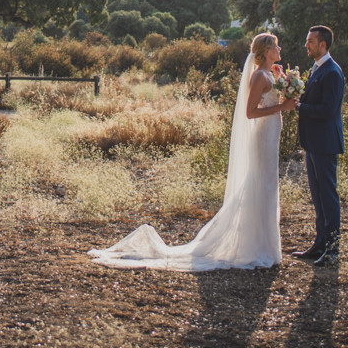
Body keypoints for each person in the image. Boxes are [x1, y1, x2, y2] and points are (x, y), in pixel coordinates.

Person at [88, 32, 294, 271]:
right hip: (264, 134)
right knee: (261, 184)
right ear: (266, 51)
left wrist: (285, 84)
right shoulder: (259, 76)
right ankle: (257, 246)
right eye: (276, 47)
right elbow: (250, 113)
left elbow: (274, 99)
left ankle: (265, 245)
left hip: (272, 134)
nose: (279, 50)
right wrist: (283, 105)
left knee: (267, 184)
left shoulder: (270, 73)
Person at [289, 24, 345, 267]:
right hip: (313, 142)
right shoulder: (316, 69)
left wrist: (299, 107)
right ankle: (319, 244)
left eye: (310, 41)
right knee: (317, 196)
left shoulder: (332, 72)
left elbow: (327, 110)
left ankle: (332, 250)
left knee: (328, 196)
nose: (306, 45)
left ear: (323, 44)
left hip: (325, 142)